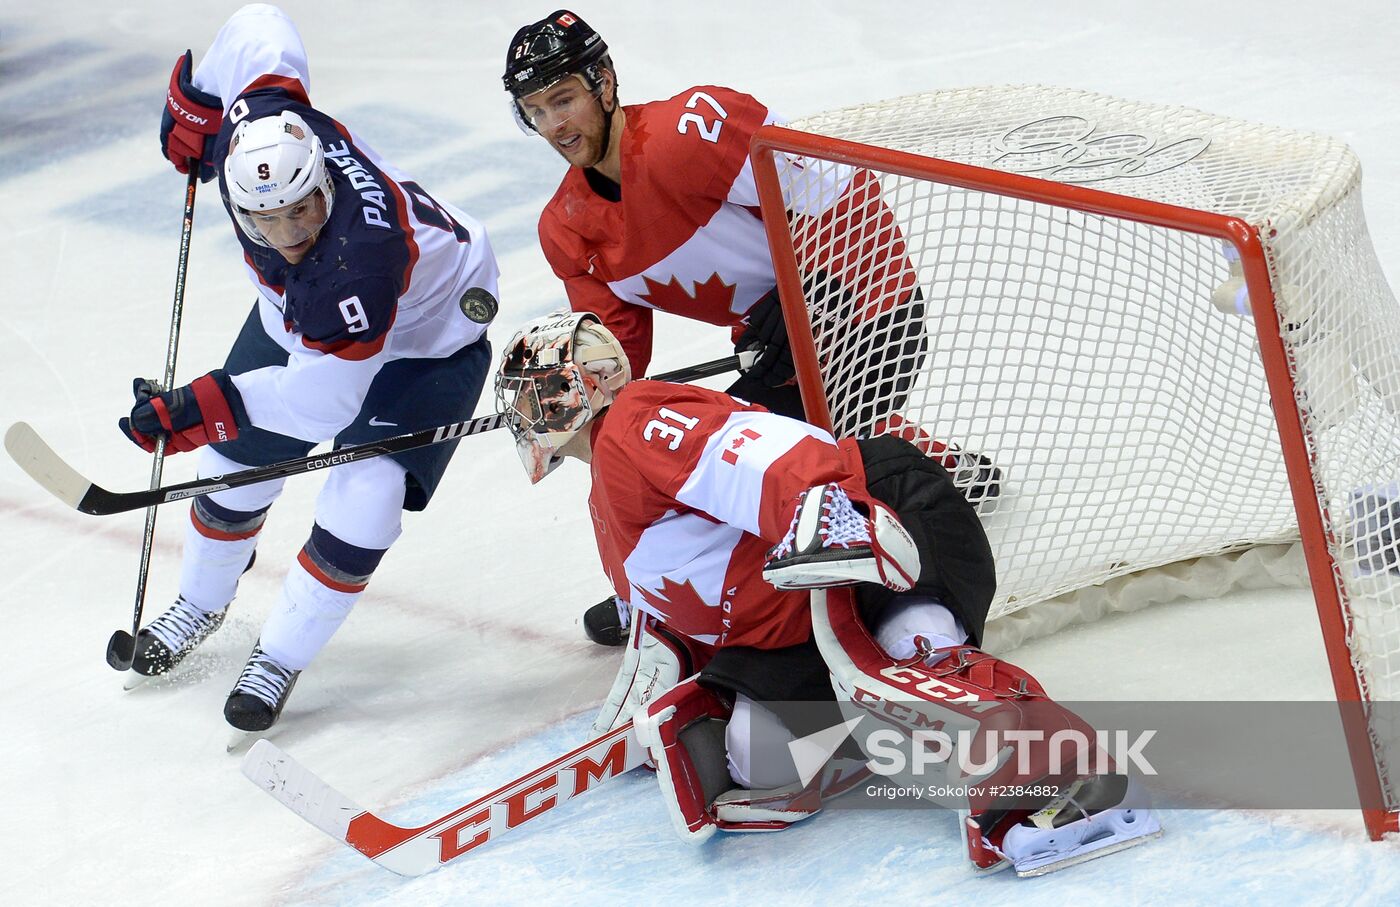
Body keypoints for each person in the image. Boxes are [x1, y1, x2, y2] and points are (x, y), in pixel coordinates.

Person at [495, 312, 1160, 876]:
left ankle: (1069, 778)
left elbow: (754, 451)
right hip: (794, 612)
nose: (522, 414)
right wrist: (636, 717)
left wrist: (829, 512)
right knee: (756, 759)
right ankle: (880, 723)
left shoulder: (635, 421)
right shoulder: (607, 504)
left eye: (526, 396)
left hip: (871, 510)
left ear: (560, 394)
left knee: (909, 658)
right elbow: (667, 624)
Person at [500, 10, 1000, 645]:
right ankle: (660, 576)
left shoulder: (691, 131)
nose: (555, 125)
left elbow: (832, 185)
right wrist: (570, 394)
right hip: (776, 348)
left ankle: (905, 482)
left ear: (604, 83)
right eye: (536, 111)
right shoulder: (567, 228)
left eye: (564, 99)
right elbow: (619, 358)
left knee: (747, 459)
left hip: (870, 303)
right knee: (676, 449)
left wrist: (816, 291)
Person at [119, 4, 500, 733]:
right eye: (271, 219)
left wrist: (208, 400)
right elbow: (261, 23)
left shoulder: (353, 264)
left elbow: (322, 406)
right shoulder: (262, 132)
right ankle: (199, 603)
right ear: (240, 196)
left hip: (429, 334)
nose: (292, 232)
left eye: (304, 208)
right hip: (308, 323)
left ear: (321, 180)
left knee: (368, 494)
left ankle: (281, 655)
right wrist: (196, 101)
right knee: (237, 461)